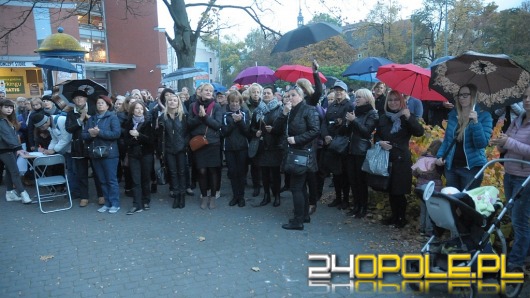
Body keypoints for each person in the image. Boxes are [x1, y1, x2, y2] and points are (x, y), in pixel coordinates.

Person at [490, 85, 530, 271]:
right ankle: (520, 254)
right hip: (510, 174)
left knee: (520, 220)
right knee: (515, 218)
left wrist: (510, 143)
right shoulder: (517, 121)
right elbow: (509, 146)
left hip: (525, 178)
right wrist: (501, 145)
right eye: (525, 96)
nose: (527, 100)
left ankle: (517, 261)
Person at [272, 86, 320, 230]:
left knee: (296, 188)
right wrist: (284, 113)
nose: (289, 98)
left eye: (293, 95)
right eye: (287, 96)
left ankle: (298, 221)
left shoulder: (308, 109)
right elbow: (276, 129)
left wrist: (297, 139)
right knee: (301, 188)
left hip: (303, 153)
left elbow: (315, 130)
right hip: (292, 153)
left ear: (301, 96)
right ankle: (304, 216)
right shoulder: (288, 111)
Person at [376, 90, 425, 228]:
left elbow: (419, 132)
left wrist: (409, 117)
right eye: (390, 100)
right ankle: (394, 216)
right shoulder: (384, 117)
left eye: (396, 100)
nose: (393, 103)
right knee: (390, 189)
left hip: (401, 158)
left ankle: (401, 218)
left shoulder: (406, 116)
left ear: (401, 101)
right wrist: (380, 142)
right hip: (387, 157)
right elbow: (378, 134)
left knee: (399, 190)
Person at [435, 84, 493, 190]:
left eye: (465, 95)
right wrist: (440, 156)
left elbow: (481, 144)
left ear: (474, 96)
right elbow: (447, 140)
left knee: (467, 203)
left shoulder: (485, 116)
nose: (461, 98)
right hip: (451, 167)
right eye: (460, 95)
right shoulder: (453, 115)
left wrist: (476, 122)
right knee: (451, 201)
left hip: (471, 169)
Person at [341, 88, 379, 218]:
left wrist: (354, 121)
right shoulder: (354, 112)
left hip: (362, 150)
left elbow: (367, 131)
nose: (356, 99)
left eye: (360, 97)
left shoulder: (372, 113)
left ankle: (363, 207)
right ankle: (356, 206)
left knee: (361, 181)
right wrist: (346, 123)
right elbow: (346, 131)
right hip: (351, 149)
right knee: (352, 180)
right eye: (356, 97)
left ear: (367, 99)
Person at [65, 90, 104, 207]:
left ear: (86, 99)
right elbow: (69, 129)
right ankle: (84, 196)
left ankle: (101, 195)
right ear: (73, 101)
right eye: (76, 98)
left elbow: (99, 125)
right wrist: (80, 119)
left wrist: (88, 117)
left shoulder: (94, 109)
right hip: (78, 145)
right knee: (81, 173)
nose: (78, 100)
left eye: (81, 98)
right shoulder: (71, 113)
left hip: (93, 144)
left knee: (97, 172)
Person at [82, 95, 121, 213]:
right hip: (95, 153)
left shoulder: (112, 117)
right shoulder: (91, 119)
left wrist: (99, 132)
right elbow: (83, 135)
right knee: (102, 180)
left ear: (108, 105)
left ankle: (115, 203)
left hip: (110, 153)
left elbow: (116, 134)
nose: (100, 105)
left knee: (111, 180)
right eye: (98, 103)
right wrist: (91, 135)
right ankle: (107, 203)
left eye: (102, 103)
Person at [187, 83, 223, 210]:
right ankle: (204, 196)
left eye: (210, 90)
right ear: (200, 92)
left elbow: (218, 125)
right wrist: (199, 117)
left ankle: (212, 197)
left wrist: (205, 117)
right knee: (201, 171)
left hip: (212, 143)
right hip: (199, 144)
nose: (208, 92)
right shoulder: (193, 106)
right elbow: (189, 124)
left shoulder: (217, 107)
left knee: (213, 171)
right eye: (206, 90)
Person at [321, 80, 354, 211]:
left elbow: (348, 125)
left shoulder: (349, 105)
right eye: (336, 90)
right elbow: (324, 123)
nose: (338, 92)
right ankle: (338, 197)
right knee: (335, 174)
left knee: (343, 174)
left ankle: (345, 199)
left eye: (341, 90)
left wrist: (337, 128)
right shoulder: (331, 105)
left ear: (345, 92)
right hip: (330, 143)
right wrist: (325, 136)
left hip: (342, 144)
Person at [251, 85, 284, 207]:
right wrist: (256, 132)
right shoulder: (257, 111)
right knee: (264, 174)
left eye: (268, 93)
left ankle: (277, 196)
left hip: (275, 146)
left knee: (275, 174)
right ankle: (266, 195)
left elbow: (283, 128)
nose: (265, 95)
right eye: (264, 93)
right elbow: (252, 127)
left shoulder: (279, 109)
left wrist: (274, 129)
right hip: (262, 146)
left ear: (273, 95)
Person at [123, 101, 154, 215]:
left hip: (146, 154)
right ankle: (136, 204)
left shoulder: (148, 122)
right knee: (136, 180)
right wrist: (133, 139)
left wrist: (138, 135)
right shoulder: (128, 123)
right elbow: (126, 141)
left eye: (141, 108)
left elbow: (151, 141)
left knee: (145, 178)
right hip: (133, 154)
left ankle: (146, 200)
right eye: (137, 108)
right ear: (132, 111)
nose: (139, 110)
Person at [159, 93, 189, 209]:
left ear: (178, 103)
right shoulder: (163, 117)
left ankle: (182, 195)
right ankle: (176, 195)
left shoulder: (183, 116)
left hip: (181, 149)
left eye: (175, 100)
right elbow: (161, 136)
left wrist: (184, 144)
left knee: (182, 172)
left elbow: (187, 133)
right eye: (170, 100)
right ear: (167, 103)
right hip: (169, 149)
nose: (172, 102)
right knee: (173, 172)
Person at [222, 91, 250, 207]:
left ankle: (241, 196)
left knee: (241, 172)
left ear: (240, 102)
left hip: (242, 147)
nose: (234, 104)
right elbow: (224, 132)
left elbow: (247, 132)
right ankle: (235, 196)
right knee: (233, 172)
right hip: (229, 147)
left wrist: (240, 122)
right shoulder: (225, 115)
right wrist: (234, 122)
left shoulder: (245, 113)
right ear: (229, 102)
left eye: (237, 102)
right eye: (232, 101)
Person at [0, 99, 32, 204]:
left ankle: (10, 193)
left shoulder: (7, 119)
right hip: (5, 149)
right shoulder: (1, 120)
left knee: (9, 172)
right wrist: (19, 148)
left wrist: (17, 148)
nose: (9, 109)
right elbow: (8, 136)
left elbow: (12, 135)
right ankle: (23, 194)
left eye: (11, 107)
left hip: (9, 148)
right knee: (15, 172)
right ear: (1, 108)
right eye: (6, 107)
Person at [411, 139, 443, 236]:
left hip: (421, 188)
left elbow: (414, 172)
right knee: (430, 210)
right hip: (433, 189)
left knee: (423, 209)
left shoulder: (421, 158)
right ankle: (429, 231)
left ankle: (422, 228)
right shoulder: (437, 162)